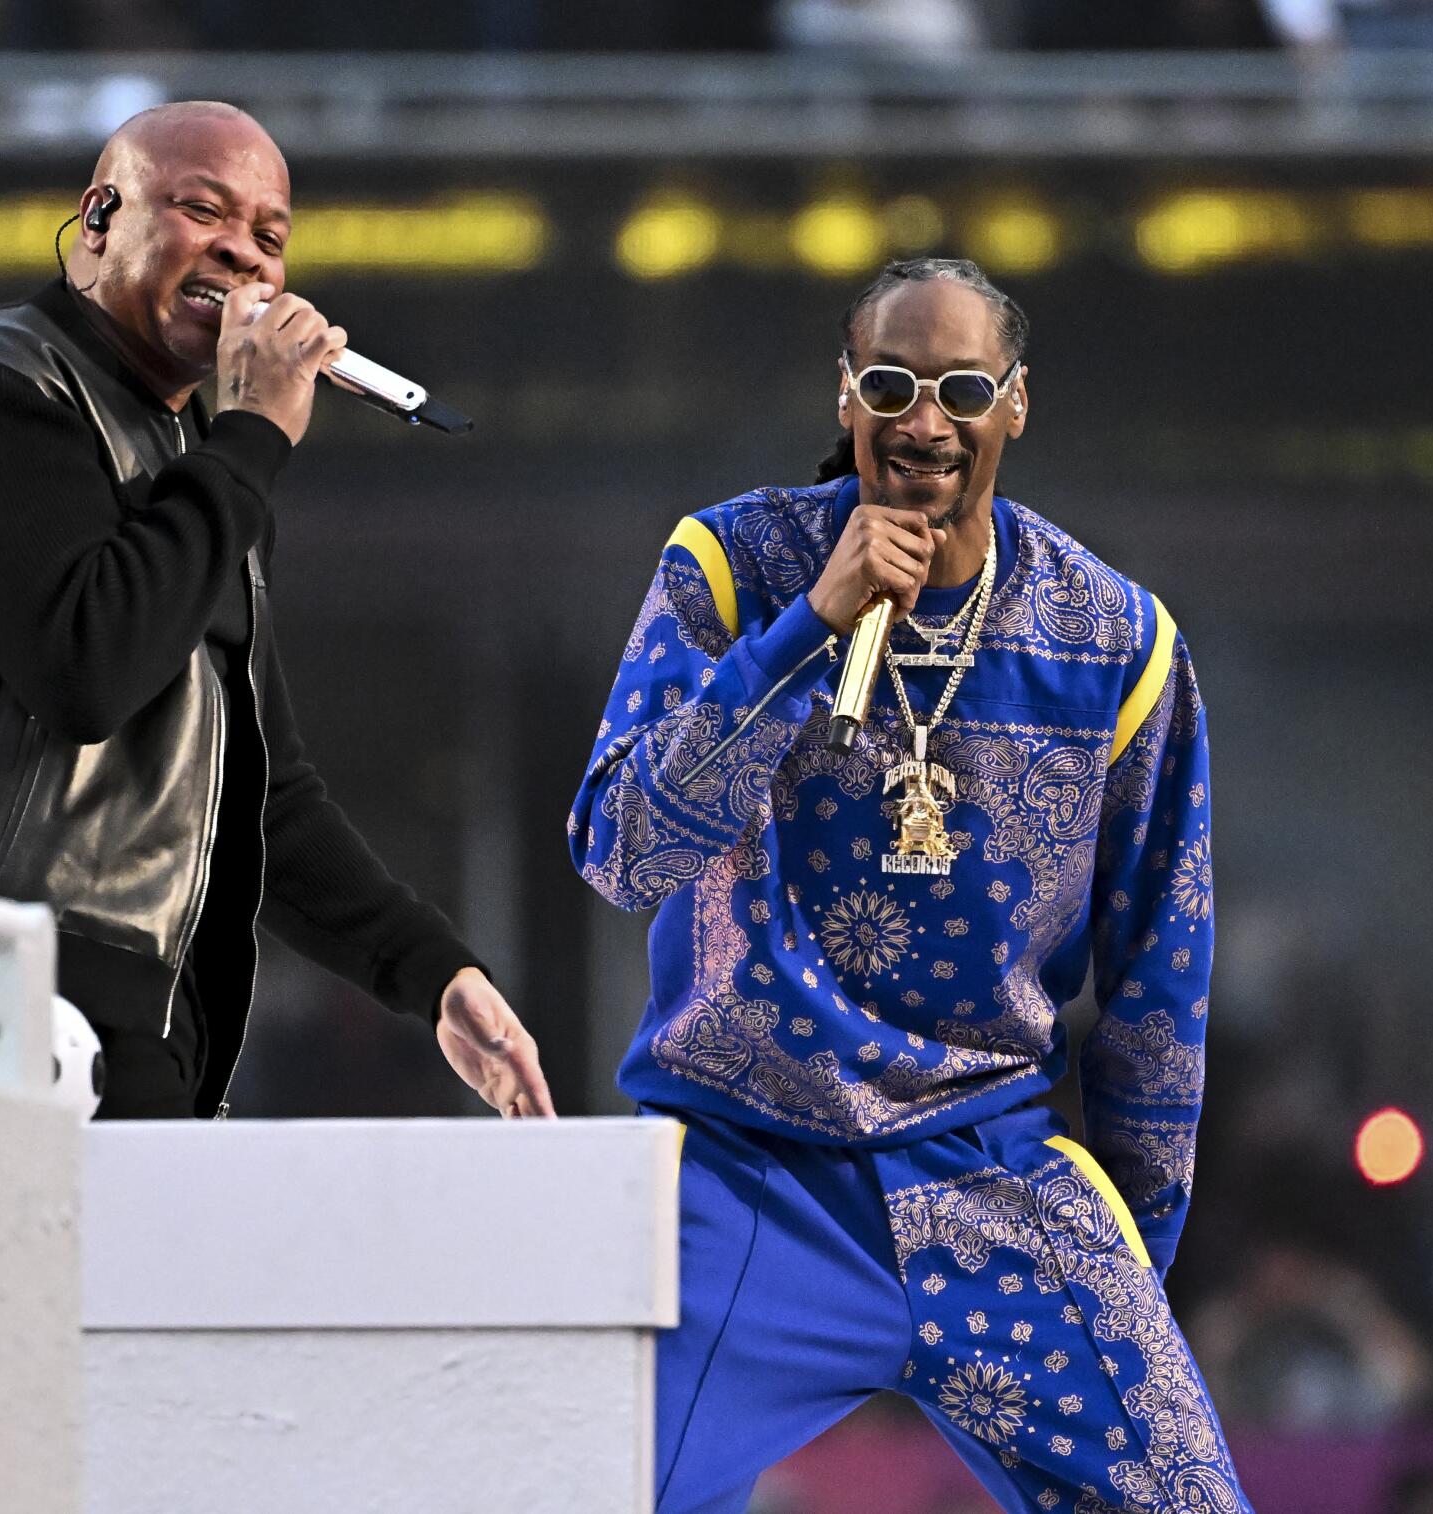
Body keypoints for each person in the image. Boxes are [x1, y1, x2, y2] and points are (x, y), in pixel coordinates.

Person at [571, 258, 1244, 1512]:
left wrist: (1125, 1269)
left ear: (1015, 405)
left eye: (960, 387)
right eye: (889, 382)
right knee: (580, 1487)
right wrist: (802, 630)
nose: (923, 418)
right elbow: (619, 851)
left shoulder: (1118, 640)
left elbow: (1161, 984)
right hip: (743, 1170)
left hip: (994, 1174)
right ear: (843, 395)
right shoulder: (731, 566)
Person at [0, 101, 551, 1122]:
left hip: (141, 1009)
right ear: (100, 219)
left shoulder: (199, 466)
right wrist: (247, 443)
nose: (243, 254)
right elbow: (84, 669)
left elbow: (261, 791)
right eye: (204, 210)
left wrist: (429, 972)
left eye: (269, 237)